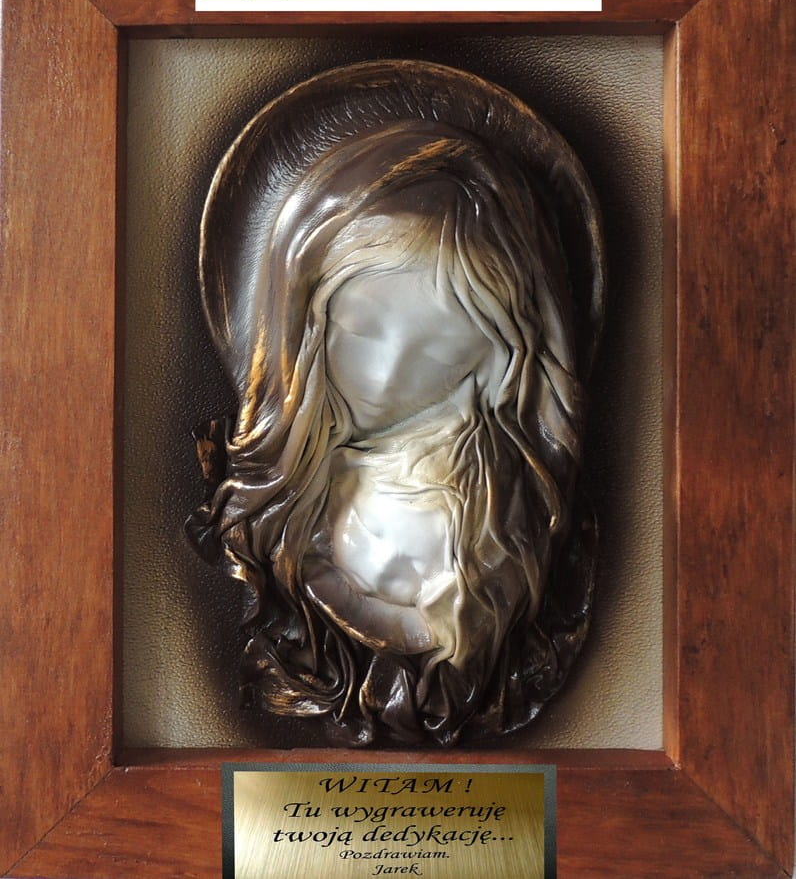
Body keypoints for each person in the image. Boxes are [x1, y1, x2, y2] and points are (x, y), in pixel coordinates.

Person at [187, 64, 601, 745]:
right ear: (300, 319)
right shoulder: (274, 490)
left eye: (437, 349)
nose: (384, 376)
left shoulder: (494, 508)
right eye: (359, 330)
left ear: (504, 359)